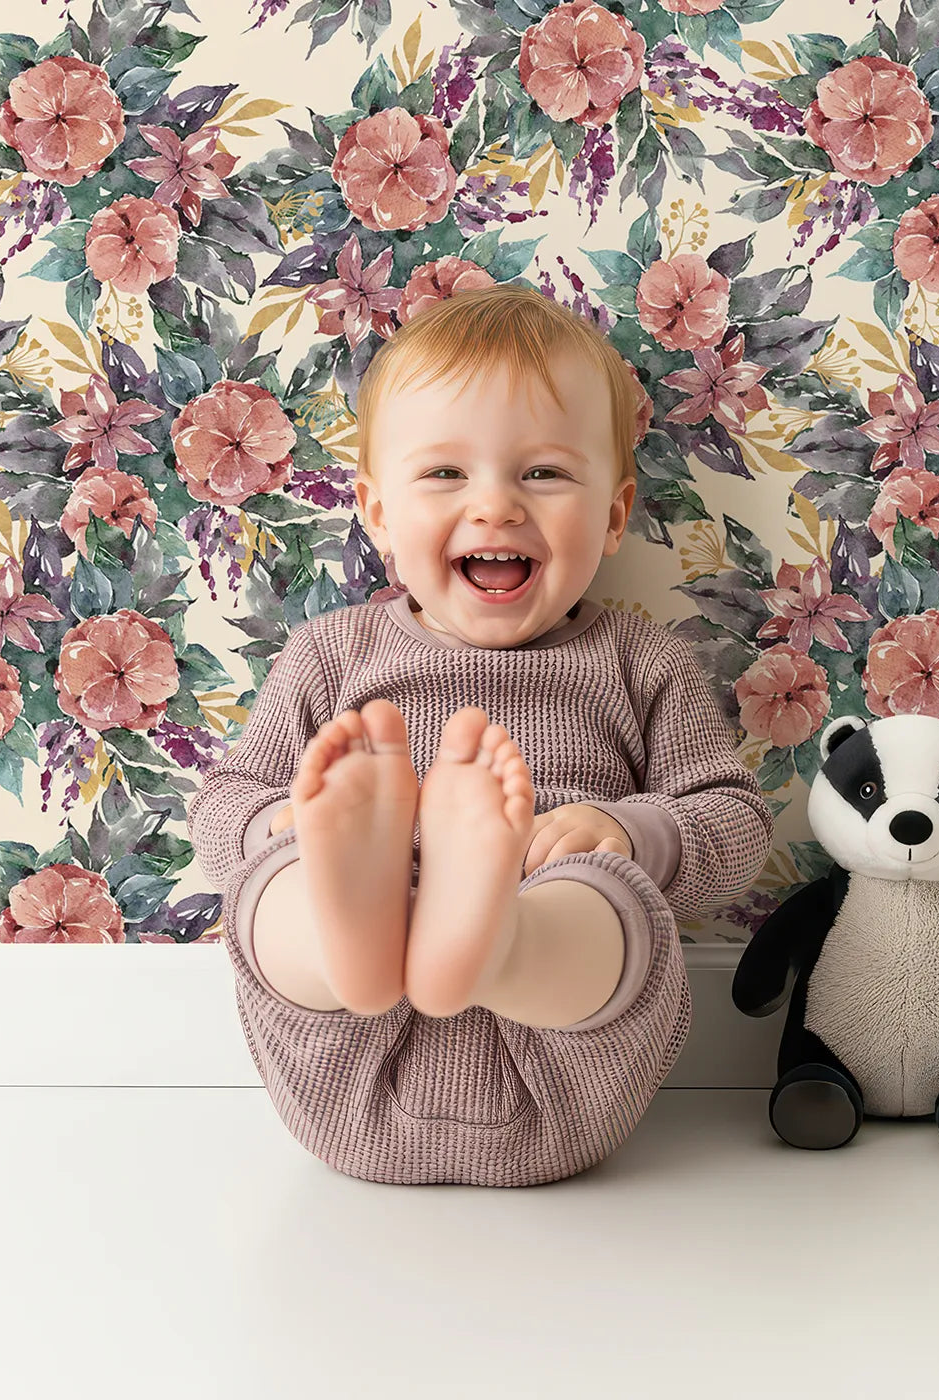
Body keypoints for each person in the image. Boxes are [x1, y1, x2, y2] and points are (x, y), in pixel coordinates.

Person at [185, 284, 774, 1187]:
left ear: (614, 516)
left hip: (568, 1067)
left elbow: (733, 821)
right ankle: (349, 933)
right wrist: (283, 828)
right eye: (444, 474)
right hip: (343, 1065)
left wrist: (627, 834)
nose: (495, 506)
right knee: (279, 876)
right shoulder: (333, 655)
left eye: (543, 474)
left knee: (600, 891)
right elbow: (222, 805)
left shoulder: (637, 660)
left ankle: (496, 942)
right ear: (378, 513)